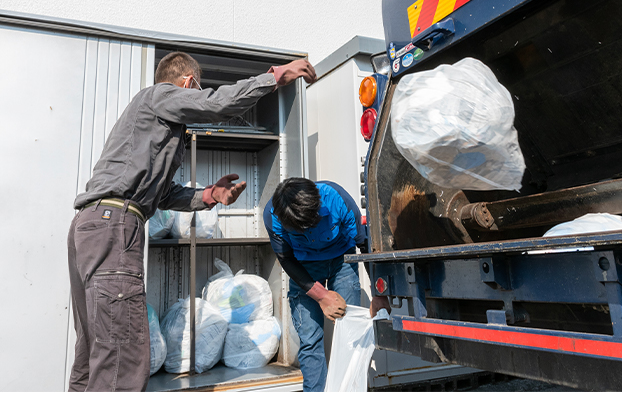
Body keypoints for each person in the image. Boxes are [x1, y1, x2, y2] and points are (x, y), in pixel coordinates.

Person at [67, 51, 316, 392]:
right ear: (187, 83)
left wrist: (209, 196)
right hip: (113, 226)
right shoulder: (159, 96)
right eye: (196, 89)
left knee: (96, 346)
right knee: (122, 354)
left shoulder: (150, 124)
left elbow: (164, 194)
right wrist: (273, 77)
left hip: (93, 226)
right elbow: (218, 104)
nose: (198, 95)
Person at [263, 177, 391, 392]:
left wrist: (379, 293)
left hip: (341, 261)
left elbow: (365, 244)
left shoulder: (337, 199)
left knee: (350, 332)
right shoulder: (273, 215)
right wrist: (321, 295)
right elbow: (286, 258)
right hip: (303, 267)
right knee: (310, 339)